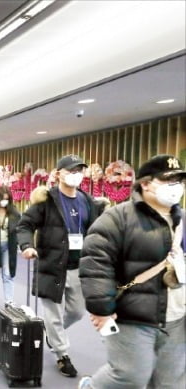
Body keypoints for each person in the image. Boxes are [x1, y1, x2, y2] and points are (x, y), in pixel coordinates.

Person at [78, 154, 186, 389]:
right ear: (145, 183)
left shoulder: (183, 220)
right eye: (168, 180)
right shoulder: (118, 218)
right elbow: (96, 263)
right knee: (130, 376)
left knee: (172, 383)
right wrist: (101, 309)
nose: (176, 186)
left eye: (179, 180)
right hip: (133, 315)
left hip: (178, 317)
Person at [16, 154, 105, 378]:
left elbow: (94, 230)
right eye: (71, 170)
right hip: (51, 265)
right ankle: (62, 355)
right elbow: (25, 224)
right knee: (53, 313)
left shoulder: (87, 200)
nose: (76, 175)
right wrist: (27, 245)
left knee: (76, 311)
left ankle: (52, 332)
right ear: (58, 174)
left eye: (79, 171)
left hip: (78, 266)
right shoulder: (47, 200)